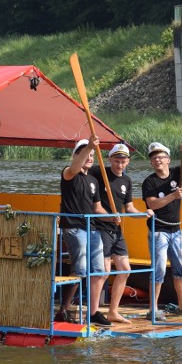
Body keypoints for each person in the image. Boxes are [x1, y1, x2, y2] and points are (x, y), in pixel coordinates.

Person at [89, 143, 154, 323]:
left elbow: (129, 208)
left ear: (127, 162)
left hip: (116, 231)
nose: (119, 164)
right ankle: (93, 312)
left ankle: (113, 311)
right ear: (110, 160)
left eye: (123, 161)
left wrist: (143, 214)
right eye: (116, 161)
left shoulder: (127, 181)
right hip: (100, 228)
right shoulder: (99, 172)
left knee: (125, 269)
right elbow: (84, 169)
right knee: (103, 272)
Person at [55, 136, 111, 327]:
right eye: (86, 154)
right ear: (77, 155)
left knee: (98, 271)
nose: (89, 157)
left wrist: (112, 216)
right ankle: (63, 310)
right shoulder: (68, 173)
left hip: (92, 228)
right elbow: (74, 167)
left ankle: (93, 312)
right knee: (80, 269)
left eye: (92, 155)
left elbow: (97, 208)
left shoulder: (93, 180)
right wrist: (89, 146)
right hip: (74, 227)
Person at [141, 140, 182, 320]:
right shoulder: (149, 182)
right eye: (154, 158)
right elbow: (152, 204)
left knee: (180, 268)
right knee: (158, 271)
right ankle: (153, 309)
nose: (157, 161)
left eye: (160, 157)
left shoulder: (176, 173)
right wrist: (174, 195)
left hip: (176, 230)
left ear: (168, 159)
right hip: (159, 231)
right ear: (151, 163)